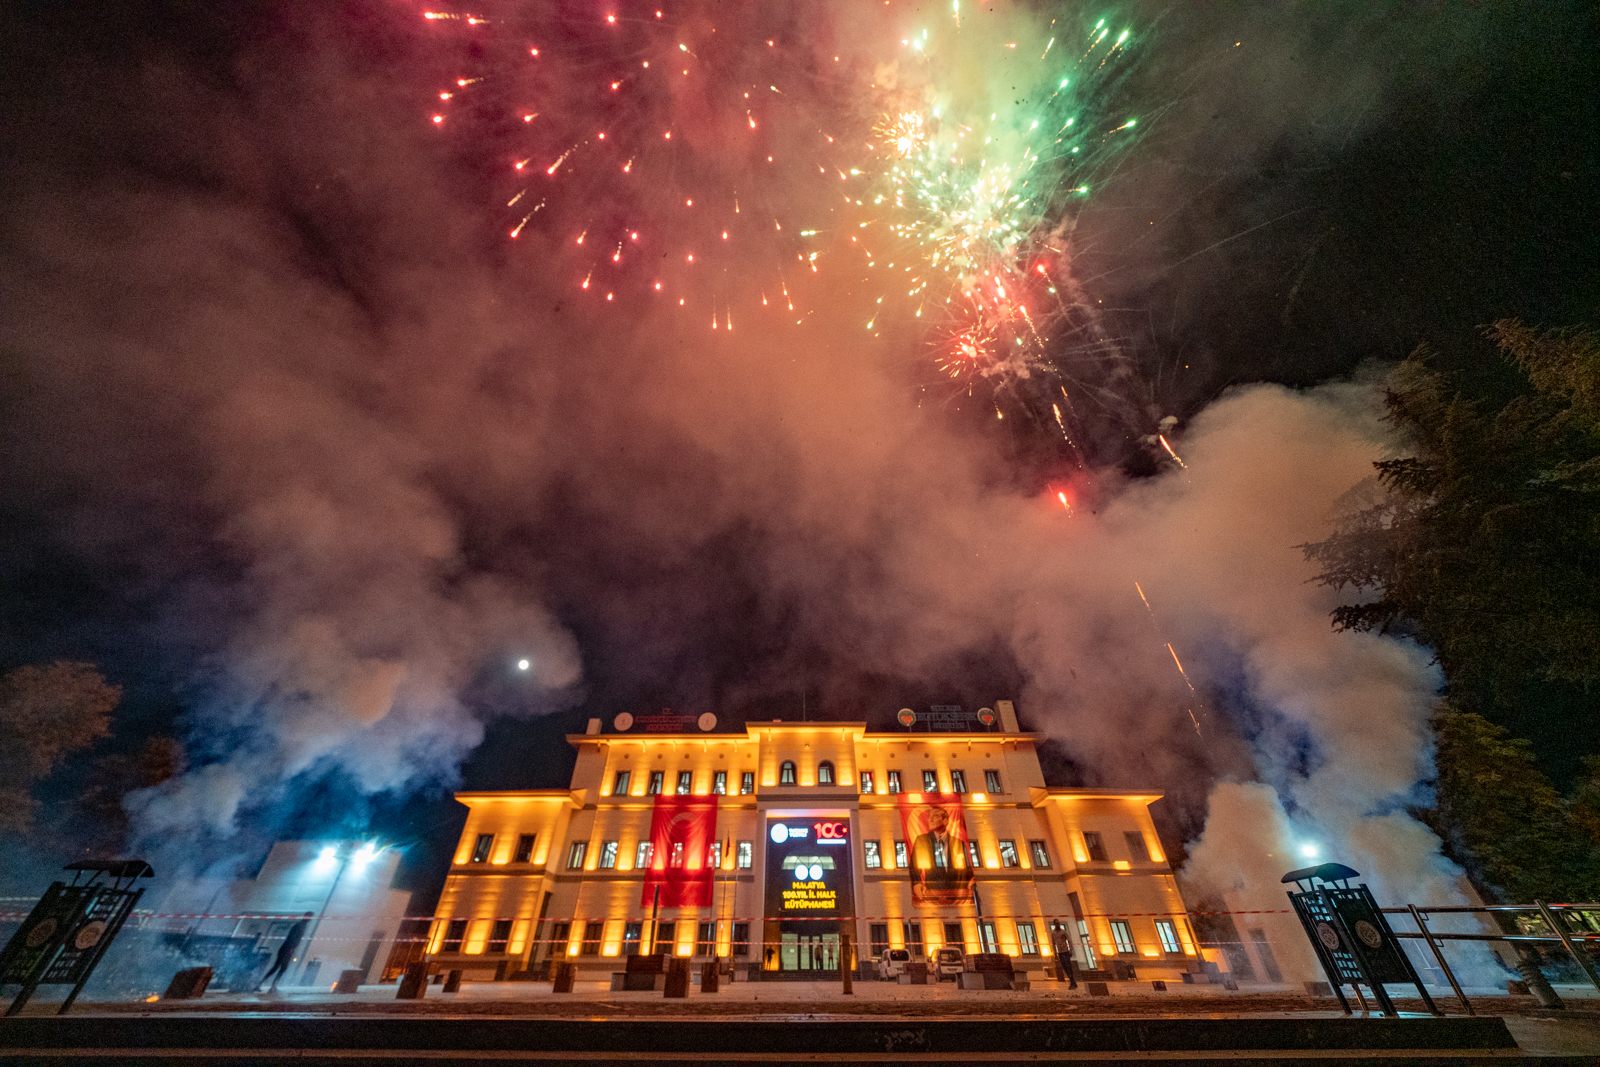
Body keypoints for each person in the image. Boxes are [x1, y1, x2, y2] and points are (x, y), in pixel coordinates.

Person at [909, 805, 970, 903]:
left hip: (956, 891)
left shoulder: (958, 843)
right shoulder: (922, 840)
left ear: (945, 821)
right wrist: (917, 883)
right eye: (930, 816)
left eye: (935, 816)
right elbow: (914, 864)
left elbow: (965, 866)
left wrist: (969, 880)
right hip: (932, 891)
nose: (930, 819)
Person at [258, 912, 314, 992]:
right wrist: (291, 948)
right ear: (306, 917)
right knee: (281, 967)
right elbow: (293, 938)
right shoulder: (300, 926)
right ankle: (272, 986)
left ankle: (264, 985)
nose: (310, 919)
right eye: (310, 917)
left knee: (278, 967)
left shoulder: (301, 925)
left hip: (286, 948)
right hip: (287, 948)